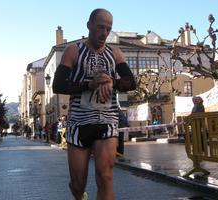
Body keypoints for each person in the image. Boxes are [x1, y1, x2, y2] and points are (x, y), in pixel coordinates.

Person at [53, 8, 136, 200]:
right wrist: (88, 85)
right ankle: (80, 195)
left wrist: (112, 82)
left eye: (108, 29)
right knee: (78, 183)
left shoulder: (115, 53)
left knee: (105, 175)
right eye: (100, 27)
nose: (104, 33)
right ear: (89, 25)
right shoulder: (73, 51)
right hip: (79, 124)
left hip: (107, 121)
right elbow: (57, 85)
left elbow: (131, 82)